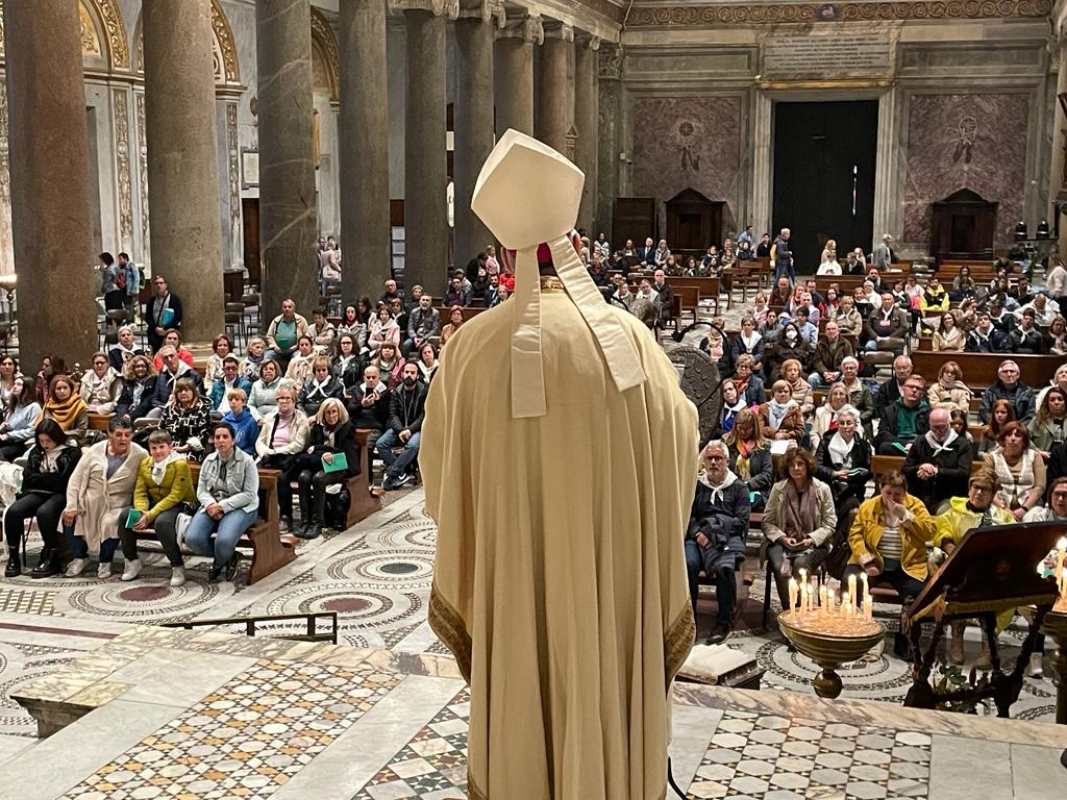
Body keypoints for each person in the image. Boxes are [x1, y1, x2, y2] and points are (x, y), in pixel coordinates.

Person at [424, 133, 697, 799]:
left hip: (513, 579)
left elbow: (438, 477)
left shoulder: (472, 349)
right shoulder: (629, 341)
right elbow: (682, 445)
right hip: (614, 585)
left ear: (502, 254)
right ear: (571, 241)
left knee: (522, 683)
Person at [845, 471, 936, 656]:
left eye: (897, 494)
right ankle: (858, 632)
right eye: (888, 493)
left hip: (907, 565)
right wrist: (865, 559)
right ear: (881, 489)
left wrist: (907, 516)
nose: (892, 499)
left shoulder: (916, 506)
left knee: (917, 594)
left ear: (905, 492)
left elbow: (929, 533)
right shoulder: (869, 506)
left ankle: (905, 640)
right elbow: (855, 535)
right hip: (873, 560)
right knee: (850, 580)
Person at [933, 470, 1016, 667]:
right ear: (969, 489)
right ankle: (956, 640)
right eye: (975, 487)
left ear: (993, 493)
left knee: (998, 592)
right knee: (953, 586)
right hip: (961, 569)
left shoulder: (1002, 516)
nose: (978, 493)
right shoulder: (953, 511)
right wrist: (948, 545)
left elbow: (1012, 541)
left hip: (991, 573)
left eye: (985, 489)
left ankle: (988, 645)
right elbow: (942, 531)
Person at [61, 418, 146, 579]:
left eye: (128, 435)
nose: (123, 439)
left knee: (109, 523)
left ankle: (105, 561)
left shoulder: (140, 454)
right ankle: (80, 557)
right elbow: (75, 479)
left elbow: (146, 483)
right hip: (89, 500)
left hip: (119, 504)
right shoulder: (95, 450)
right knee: (68, 517)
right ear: (109, 434)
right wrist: (72, 505)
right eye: (119, 435)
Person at [686, 440, 750, 644]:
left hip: (726, 537)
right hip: (698, 537)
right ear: (703, 462)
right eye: (709, 458)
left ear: (727, 461)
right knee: (689, 564)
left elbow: (741, 521)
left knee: (725, 568)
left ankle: (723, 620)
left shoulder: (738, 488)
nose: (714, 462)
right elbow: (688, 516)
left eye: (718, 458)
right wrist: (697, 534)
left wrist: (712, 534)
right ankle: (689, 619)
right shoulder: (696, 486)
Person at [115, 428, 196, 584]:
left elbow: (175, 495)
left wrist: (149, 516)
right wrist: (141, 511)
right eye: (154, 448)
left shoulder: (180, 464)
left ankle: (177, 565)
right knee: (126, 516)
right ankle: (132, 561)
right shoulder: (145, 463)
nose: (158, 451)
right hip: (154, 504)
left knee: (162, 523)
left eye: (161, 447)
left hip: (179, 504)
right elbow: (140, 491)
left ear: (170, 447)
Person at [3, 420, 81, 578]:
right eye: (41, 441)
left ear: (57, 437)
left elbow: (63, 481)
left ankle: (51, 555)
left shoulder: (71, 452)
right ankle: (13, 557)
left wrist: (42, 477)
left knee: (45, 513)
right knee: (14, 512)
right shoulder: (35, 452)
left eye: (48, 441)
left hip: (62, 493)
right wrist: (49, 478)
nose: (45, 444)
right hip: (37, 492)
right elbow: (28, 477)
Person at [184, 423, 259, 582]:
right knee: (192, 539)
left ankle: (219, 562)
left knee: (223, 541)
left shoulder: (247, 461)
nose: (221, 440)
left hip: (242, 507)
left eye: (225, 437)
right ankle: (230, 556)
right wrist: (211, 504)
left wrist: (222, 506)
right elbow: (202, 490)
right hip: (212, 504)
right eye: (217, 437)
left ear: (233, 440)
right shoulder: (209, 460)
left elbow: (249, 494)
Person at [763, 447, 836, 610]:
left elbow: (830, 523)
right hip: (782, 541)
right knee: (779, 566)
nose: (796, 468)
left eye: (800, 464)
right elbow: (767, 521)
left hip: (814, 543)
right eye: (792, 465)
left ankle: (802, 611)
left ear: (807, 466)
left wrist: (811, 539)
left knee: (801, 564)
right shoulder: (779, 489)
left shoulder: (822, 489)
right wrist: (782, 538)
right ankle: (789, 612)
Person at [291, 398, 359, 538]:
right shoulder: (318, 427)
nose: (331, 416)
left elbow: (343, 453)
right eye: (328, 413)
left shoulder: (347, 427)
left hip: (340, 465)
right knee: (303, 477)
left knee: (318, 478)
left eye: (334, 412)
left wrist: (322, 449)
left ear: (339, 413)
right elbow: (311, 450)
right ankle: (305, 521)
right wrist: (323, 450)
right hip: (320, 463)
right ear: (323, 414)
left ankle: (318, 522)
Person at [255, 383, 309, 531]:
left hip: (290, 458)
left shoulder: (301, 419)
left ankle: (286, 516)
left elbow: (298, 444)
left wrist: (277, 452)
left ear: (294, 401)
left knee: (281, 477)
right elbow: (260, 440)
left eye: (287, 398)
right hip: (269, 456)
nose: (283, 401)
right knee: (254, 474)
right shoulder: (270, 417)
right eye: (280, 398)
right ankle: (260, 514)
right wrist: (264, 451)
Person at [903, 407, 974, 513]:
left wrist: (936, 472)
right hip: (920, 494)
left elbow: (964, 473)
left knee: (943, 513)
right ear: (929, 425)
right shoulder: (920, 442)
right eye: (934, 427)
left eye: (942, 427)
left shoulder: (962, 444)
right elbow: (905, 469)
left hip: (950, 496)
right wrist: (920, 467)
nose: (938, 431)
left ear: (949, 424)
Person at [377, 362, 427, 491]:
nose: (409, 375)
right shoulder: (396, 391)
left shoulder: (424, 391)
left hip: (417, 428)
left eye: (412, 373)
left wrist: (410, 430)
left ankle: (392, 475)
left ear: (417, 375)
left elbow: (423, 415)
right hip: (399, 428)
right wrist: (400, 430)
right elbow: (393, 415)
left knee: (413, 445)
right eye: (407, 372)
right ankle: (401, 474)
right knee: (381, 443)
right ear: (402, 373)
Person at [981, 422, 1046, 521]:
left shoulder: (1035, 456)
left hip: (1030, 508)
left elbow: (1039, 487)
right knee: (995, 519)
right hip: (999, 505)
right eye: (1009, 435)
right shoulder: (992, 457)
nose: (1013, 438)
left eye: (1018, 435)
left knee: (1033, 519)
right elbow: (986, 485)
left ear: (1024, 441)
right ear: (1003, 438)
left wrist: (1024, 509)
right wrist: (1004, 508)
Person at [875, 374, 930, 455]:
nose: (914, 390)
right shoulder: (890, 410)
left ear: (922, 393)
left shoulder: (928, 412)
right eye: (910, 387)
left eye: (918, 388)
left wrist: (914, 444)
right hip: (897, 444)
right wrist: (905, 444)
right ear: (903, 389)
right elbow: (883, 433)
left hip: (919, 445)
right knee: (884, 447)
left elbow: (930, 434)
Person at [349, 365, 390, 453]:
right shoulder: (357, 390)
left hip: (374, 428)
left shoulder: (385, 392)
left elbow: (386, 415)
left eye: (374, 377)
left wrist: (378, 402)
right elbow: (350, 409)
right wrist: (361, 405)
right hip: (357, 426)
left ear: (379, 377)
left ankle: (366, 466)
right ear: (364, 378)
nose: (371, 380)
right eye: (368, 377)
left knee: (367, 446)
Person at [38, 374, 88, 444]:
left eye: (65, 388)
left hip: (71, 441)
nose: (62, 391)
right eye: (58, 388)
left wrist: (59, 434)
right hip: (48, 441)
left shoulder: (79, 405)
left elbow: (81, 430)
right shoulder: (49, 405)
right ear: (53, 391)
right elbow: (45, 426)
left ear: (70, 388)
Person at [0, 378, 42, 461]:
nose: (15, 387)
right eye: (14, 384)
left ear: (27, 389)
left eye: (19, 384)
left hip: (21, 443)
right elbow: (11, 426)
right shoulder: (14, 405)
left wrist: (9, 435)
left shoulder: (34, 407)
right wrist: (3, 426)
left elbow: (33, 431)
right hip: (8, 439)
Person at [264, 298, 309, 368]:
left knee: (297, 358)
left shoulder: (301, 320)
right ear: (282, 308)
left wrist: (298, 346)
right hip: (277, 350)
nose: (287, 309)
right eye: (285, 307)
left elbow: (307, 336)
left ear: (294, 309)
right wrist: (274, 346)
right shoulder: (276, 320)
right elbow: (269, 335)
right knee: (267, 356)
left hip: (295, 349)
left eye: (289, 307)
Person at [144, 274, 183, 352]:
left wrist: (165, 329)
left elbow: (178, 316)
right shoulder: (151, 300)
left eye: (161, 283)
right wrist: (156, 328)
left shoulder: (174, 299)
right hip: (154, 333)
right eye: (156, 283)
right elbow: (148, 317)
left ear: (166, 285)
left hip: (169, 332)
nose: (159, 285)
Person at [809, 321, 854, 389]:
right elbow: (817, 361)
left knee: (847, 378)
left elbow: (849, 361)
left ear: (838, 331)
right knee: (812, 378)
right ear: (825, 332)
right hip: (823, 374)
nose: (831, 331)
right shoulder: (820, 344)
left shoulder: (845, 344)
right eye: (828, 329)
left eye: (833, 329)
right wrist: (825, 372)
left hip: (840, 373)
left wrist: (838, 372)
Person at [114, 355, 157, 423]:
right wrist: (123, 415)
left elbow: (147, 403)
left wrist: (131, 416)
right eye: (137, 366)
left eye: (143, 366)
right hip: (128, 414)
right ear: (133, 368)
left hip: (143, 414)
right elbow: (123, 401)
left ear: (147, 368)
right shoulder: (129, 383)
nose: (140, 369)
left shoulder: (153, 382)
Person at [219, 388, 258, 456]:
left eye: (237, 399)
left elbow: (253, 445)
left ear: (244, 402)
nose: (233, 402)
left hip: (244, 456)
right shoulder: (224, 421)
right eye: (230, 400)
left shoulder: (251, 421)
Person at [1029, 387, 1067, 454]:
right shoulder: (1038, 420)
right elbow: (1024, 438)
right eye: (1052, 400)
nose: (1056, 402)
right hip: (1042, 459)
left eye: (1060, 399)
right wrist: (1038, 452)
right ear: (1047, 403)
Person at [811, 383, 849, 450]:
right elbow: (814, 433)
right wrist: (820, 447)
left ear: (846, 397)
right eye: (835, 394)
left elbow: (858, 434)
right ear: (830, 397)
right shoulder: (820, 411)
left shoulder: (852, 413)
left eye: (841, 394)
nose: (838, 397)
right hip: (823, 449)